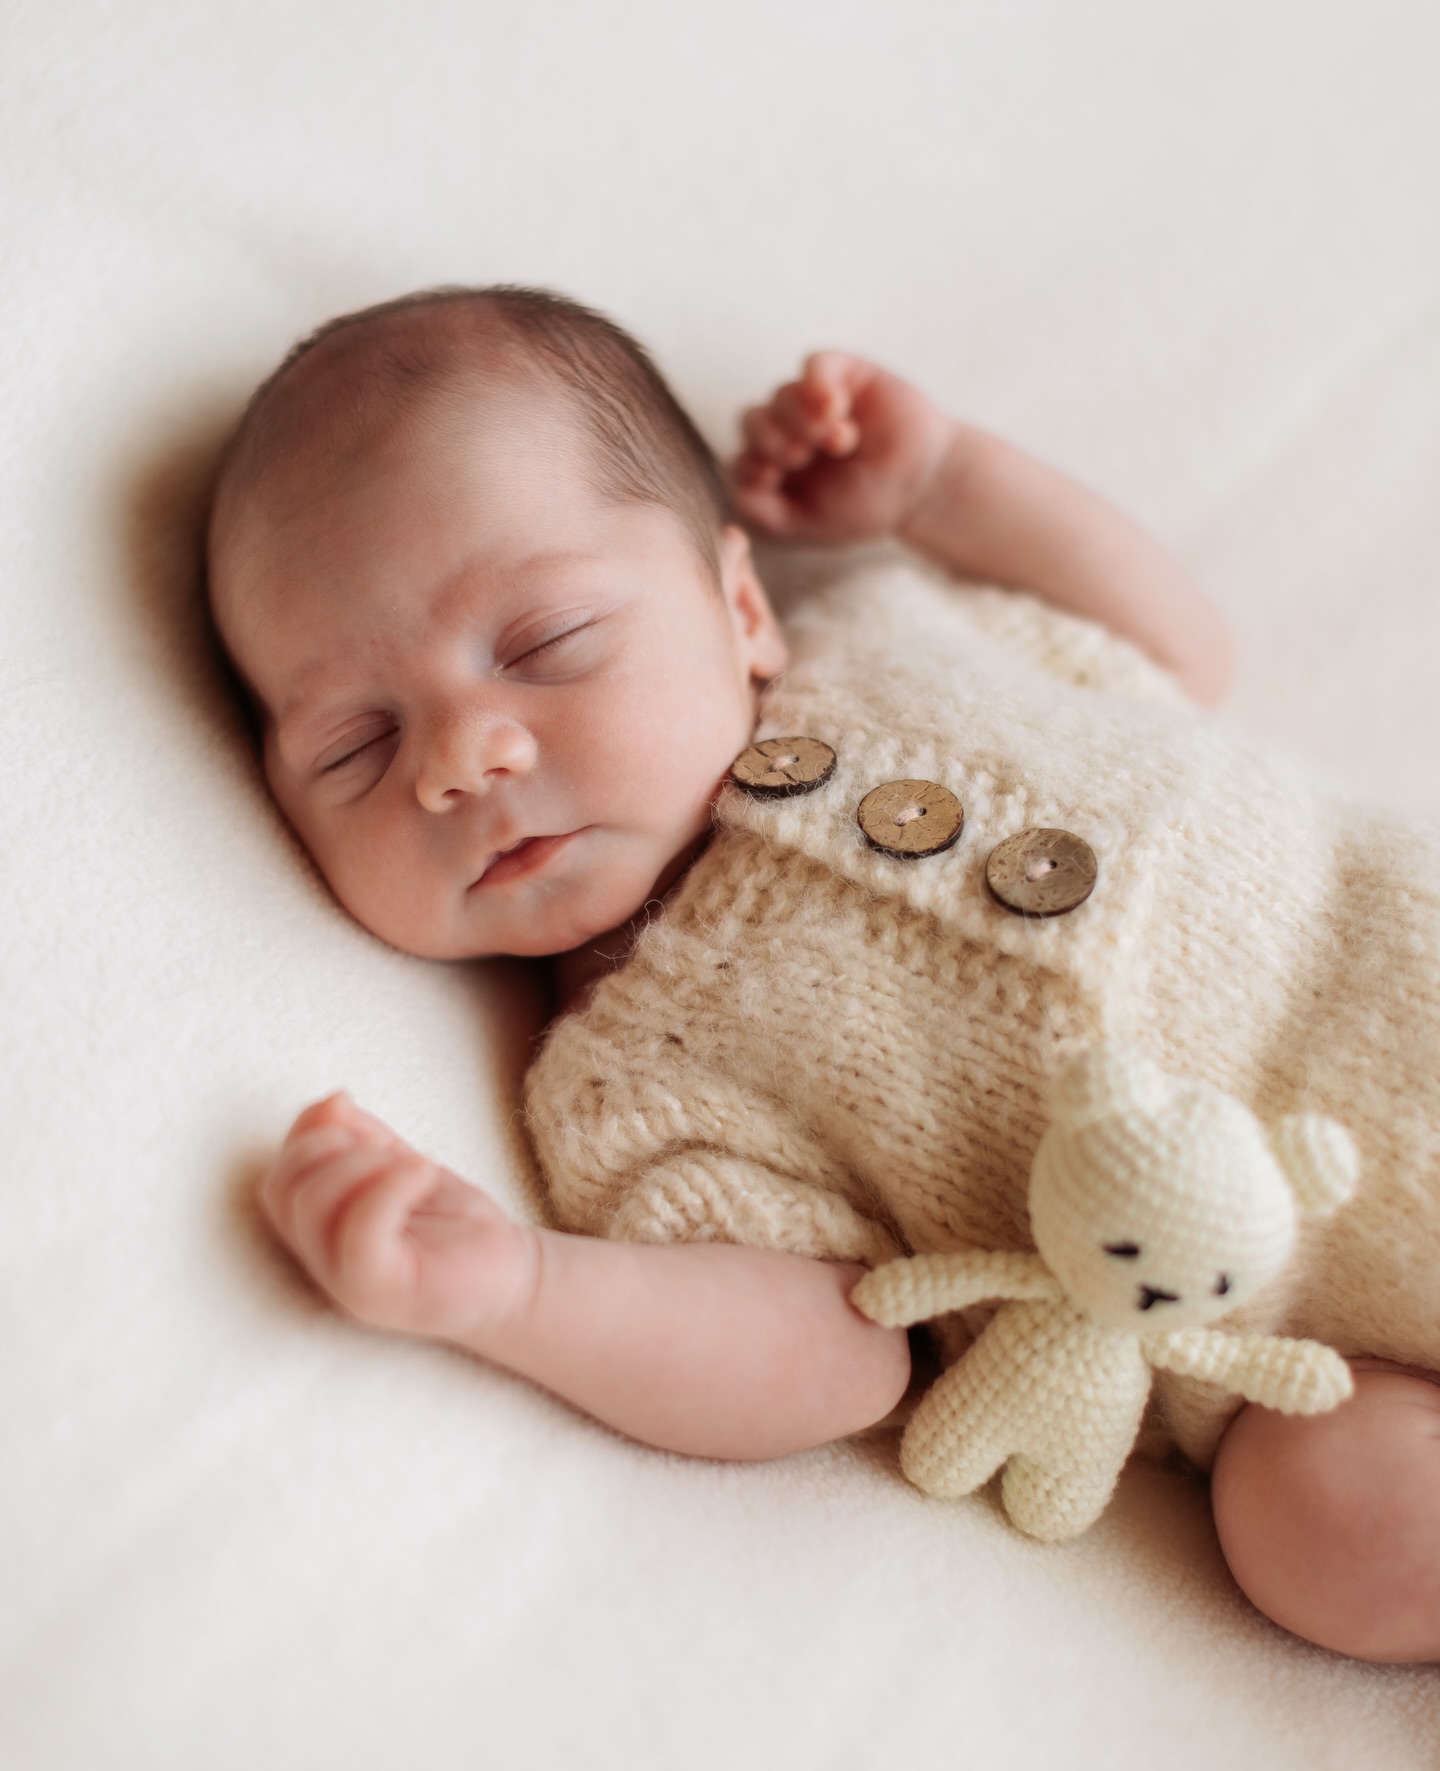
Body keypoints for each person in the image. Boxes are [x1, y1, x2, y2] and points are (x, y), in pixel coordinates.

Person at [206, 286, 1440, 1663]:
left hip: (1396, 950)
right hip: (1308, 1358)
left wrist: (948, 481)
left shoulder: (897, 630)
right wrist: (522, 1295)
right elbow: (836, 1356)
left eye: (545, 646)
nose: (461, 757)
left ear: (741, 607)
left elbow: (1173, 650)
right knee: (1322, 1526)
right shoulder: (623, 1091)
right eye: (355, 749)